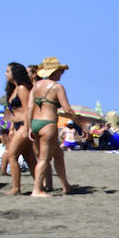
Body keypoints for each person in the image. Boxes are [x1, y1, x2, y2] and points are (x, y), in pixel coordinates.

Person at [27, 57, 77, 196]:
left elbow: (30, 108)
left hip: (36, 123)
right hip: (48, 124)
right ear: (54, 71)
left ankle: (66, 185)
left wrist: (29, 127)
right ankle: (36, 189)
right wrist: (78, 122)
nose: (62, 73)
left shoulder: (36, 86)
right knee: (44, 159)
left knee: (58, 155)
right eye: (60, 70)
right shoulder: (57, 87)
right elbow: (67, 109)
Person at [0, 63, 38, 195]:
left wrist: (27, 127)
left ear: (15, 73)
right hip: (16, 126)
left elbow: (28, 109)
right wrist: (10, 128)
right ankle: (40, 185)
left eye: (7, 71)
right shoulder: (13, 88)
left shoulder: (22, 88)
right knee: (29, 157)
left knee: (12, 154)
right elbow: (11, 111)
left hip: (24, 125)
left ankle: (16, 188)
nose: (5, 74)